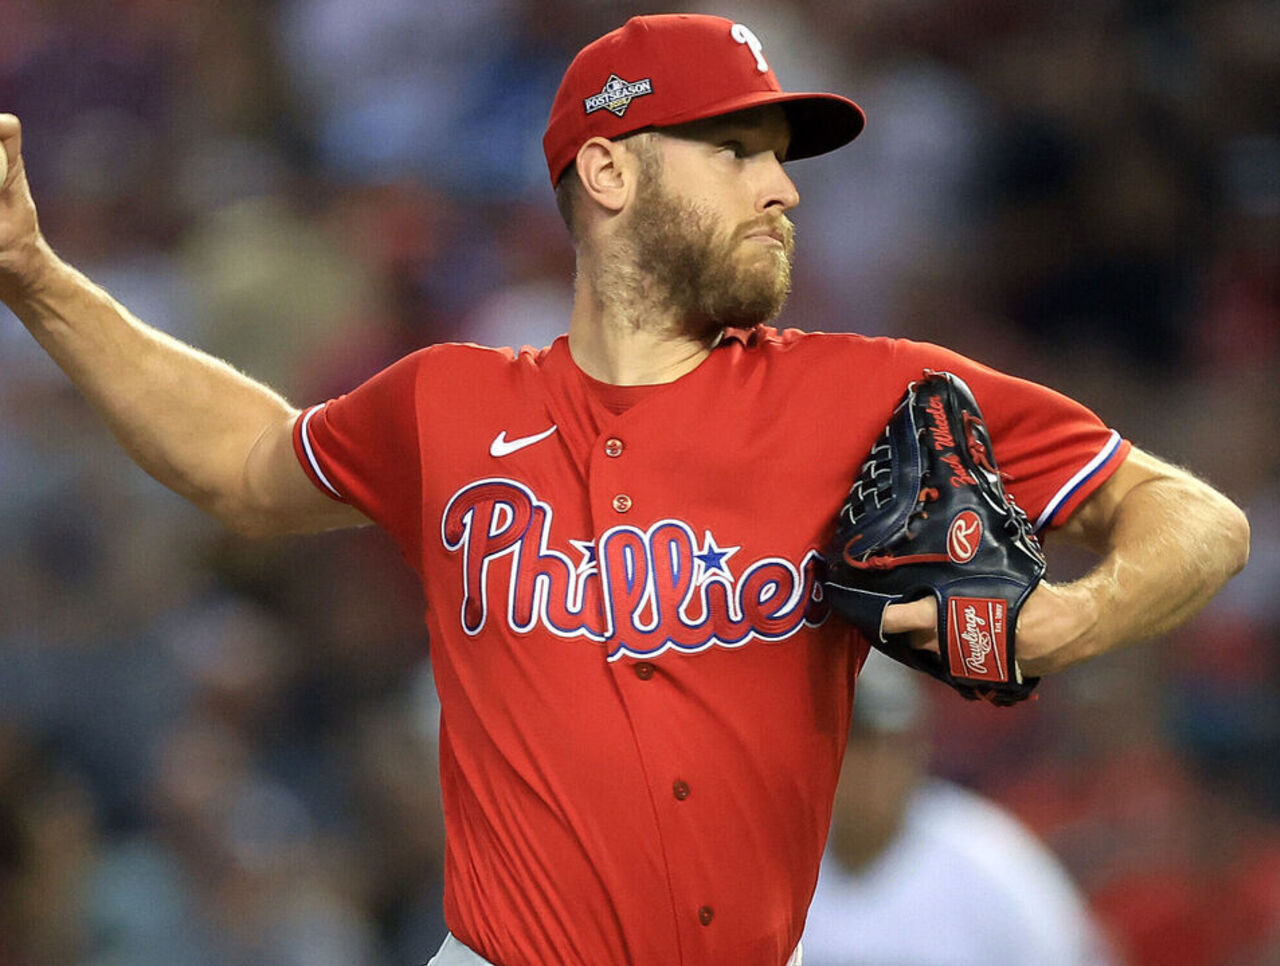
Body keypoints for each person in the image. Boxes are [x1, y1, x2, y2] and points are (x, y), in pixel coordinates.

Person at [0, 13, 1250, 966]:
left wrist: (1081, 615)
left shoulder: (869, 392)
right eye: (735, 151)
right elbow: (239, 464)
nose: (785, 187)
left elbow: (1198, 517)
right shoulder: (446, 401)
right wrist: (37, 277)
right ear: (607, 173)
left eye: (780, 158)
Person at [803, 652, 1118, 966]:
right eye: (856, 745)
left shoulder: (992, 860)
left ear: (917, 749)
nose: (873, 767)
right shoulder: (787, 857)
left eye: (889, 746)